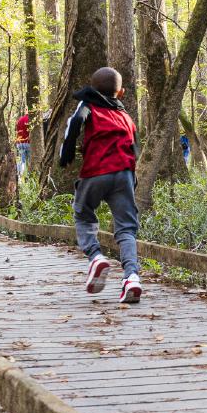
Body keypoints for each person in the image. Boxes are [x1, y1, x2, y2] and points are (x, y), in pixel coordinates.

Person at [56, 67, 143, 303]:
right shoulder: (126, 116)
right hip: (124, 174)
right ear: (121, 93)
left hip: (96, 171)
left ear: (93, 88)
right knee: (126, 228)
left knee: (83, 213)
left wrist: (65, 154)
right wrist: (132, 179)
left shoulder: (88, 106)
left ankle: (96, 257)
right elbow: (134, 148)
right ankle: (131, 277)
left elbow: (75, 122)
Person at [15, 110, 32, 175]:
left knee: (23, 161)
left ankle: (20, 175)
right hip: (28, 142)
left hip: (20, 143)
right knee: (30, 161)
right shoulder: (30, 119)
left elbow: (17, 130)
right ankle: (29, 175)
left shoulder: (20, 119)